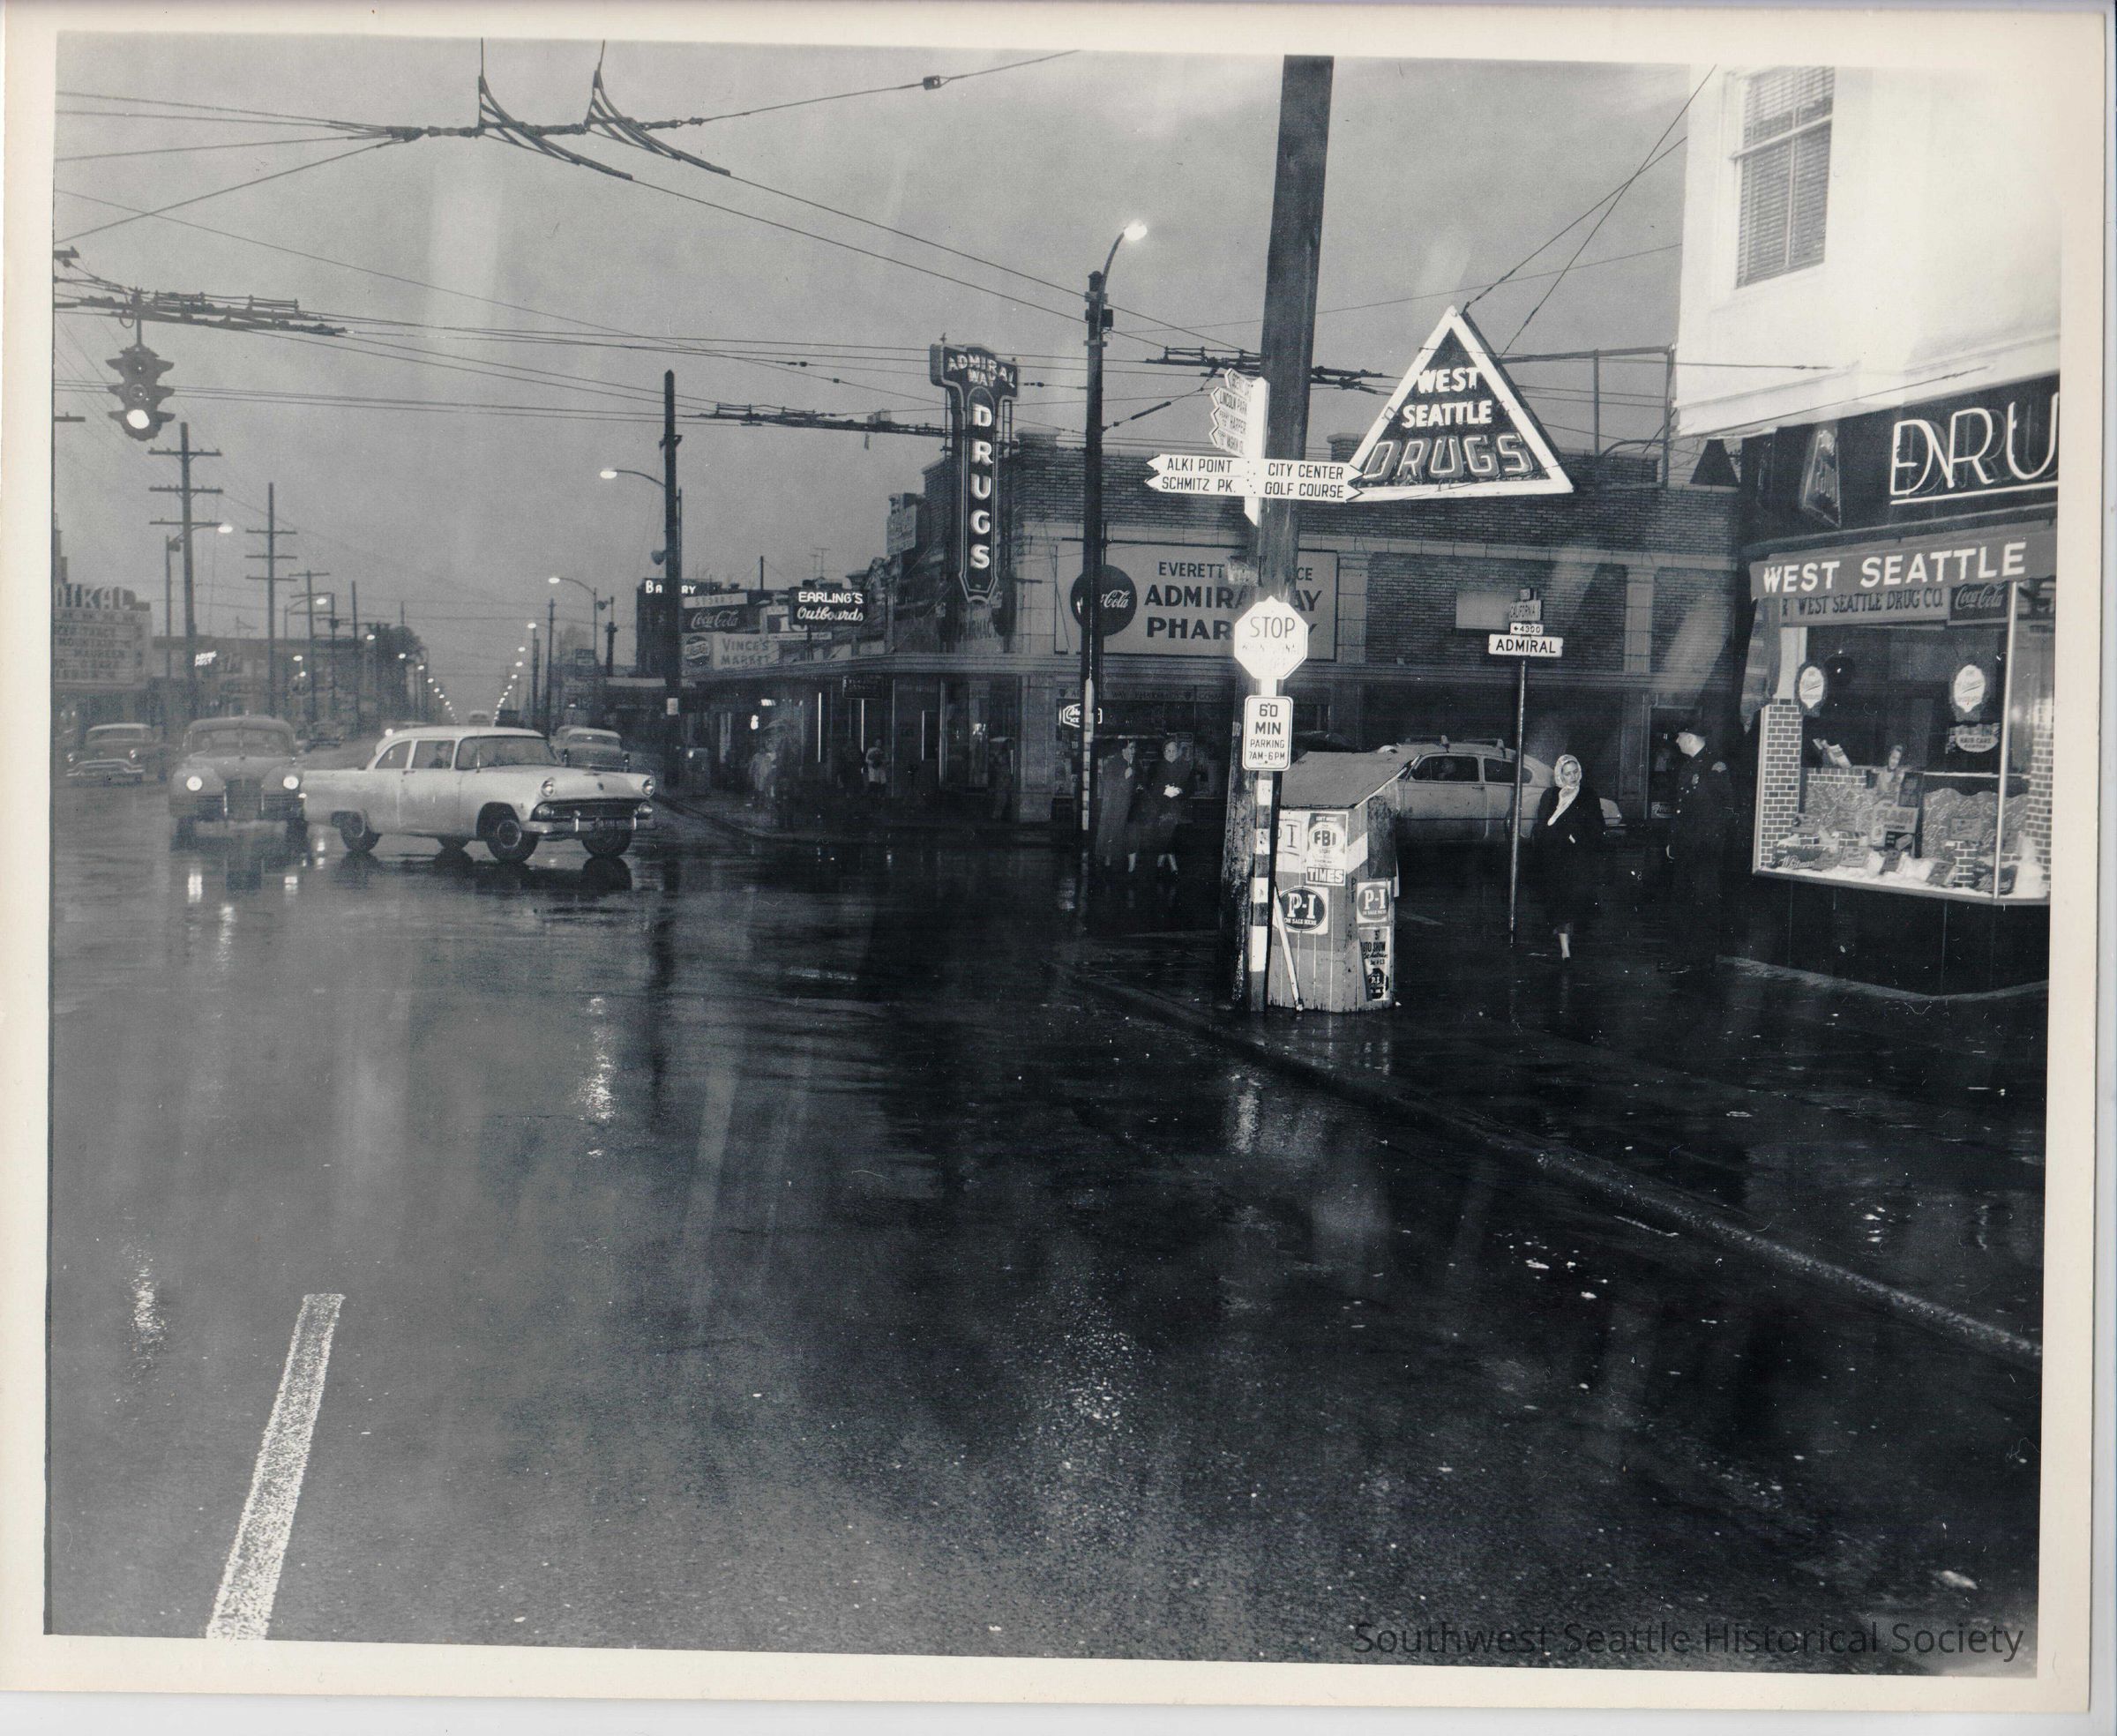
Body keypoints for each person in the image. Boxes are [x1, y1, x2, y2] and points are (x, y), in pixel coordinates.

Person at [1667, 725, 1736, 968]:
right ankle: (1682, 957)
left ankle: (1702, 959)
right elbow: (1681, 809)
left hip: (1705, 848)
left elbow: (1726, 808)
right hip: (1687, 846)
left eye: (1679, 736)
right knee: (1683, 900)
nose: (1676, 741)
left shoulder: (1715, 766)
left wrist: (1710, 840)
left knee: (1703, 901)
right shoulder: (1688, 766)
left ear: (1689, 737)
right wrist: (1674, 841)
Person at [1532, 752, 1603, 960]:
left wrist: (1578, 838)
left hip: (1579, 857)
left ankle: (1569, 939)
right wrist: (1559, 836)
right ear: (1560, 775)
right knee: (1561, 903)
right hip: (1556, 857)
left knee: (1576, 902)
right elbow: (1542, 824)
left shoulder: (1588, 795)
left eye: (1575, 772)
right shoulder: (1551, 795)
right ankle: (1565, 949)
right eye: (1568, 773)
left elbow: (1598, 825)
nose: (1573, 777)